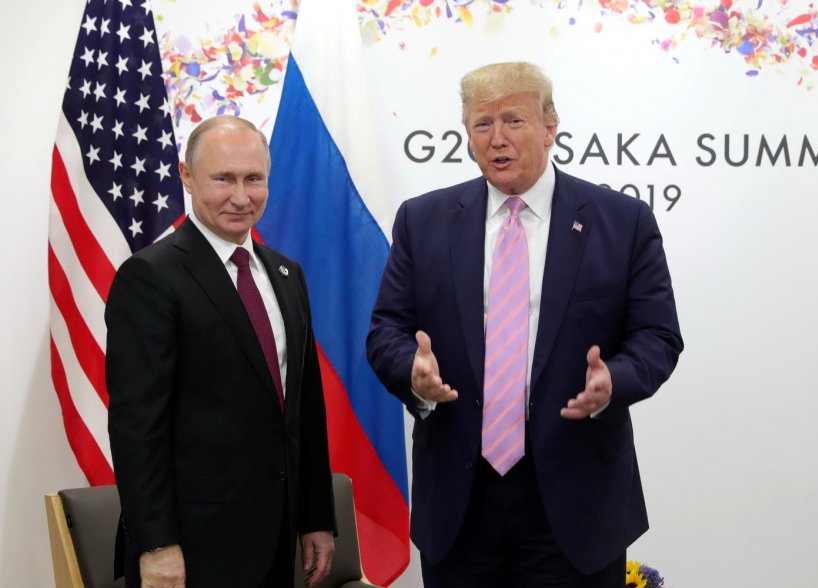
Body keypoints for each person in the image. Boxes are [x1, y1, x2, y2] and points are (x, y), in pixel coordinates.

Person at [366, 62, 683, 587]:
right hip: (461, 500)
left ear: (550, 127)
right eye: (482, 124)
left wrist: (613, 383)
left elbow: (658, 335)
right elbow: (387, 331)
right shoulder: (423, 221)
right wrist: (411, 372)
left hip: (577, 497)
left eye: (513, 120)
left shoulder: (621, 221)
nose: (497, 139)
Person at [106, 115, 335, 588]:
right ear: (187, 177)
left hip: (276, 538)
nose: (241, 196)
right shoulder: (150, 277)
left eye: (254, 179)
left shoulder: (286, 274)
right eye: (223, 178)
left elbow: (304, 409)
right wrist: (155, 544)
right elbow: (137, 427)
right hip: (191, 548)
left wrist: (315, 516)